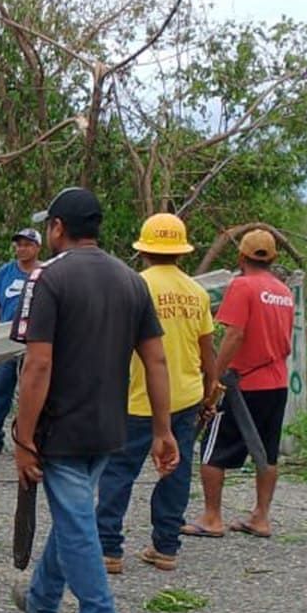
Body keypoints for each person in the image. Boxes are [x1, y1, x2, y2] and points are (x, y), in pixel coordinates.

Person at [9, 189, 176, 613]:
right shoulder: (131, 280)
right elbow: (156, 359)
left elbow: (38, 364)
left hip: (61, 426)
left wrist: (22, 438)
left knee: (78, 525)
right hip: (109, 424)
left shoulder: (48, 279)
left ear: (58, 228)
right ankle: (40, 604)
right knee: (75, 514)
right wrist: (163, 429)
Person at [94, 214, 216, 575]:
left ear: (144, 248)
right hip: (185, 395)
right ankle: (165, 547)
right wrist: (210, 395)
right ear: (182, 251)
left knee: (118, 472)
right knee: (175, 471)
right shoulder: (197, 292)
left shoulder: (131, 286)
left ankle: (109, 549)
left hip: (138, 395)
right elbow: (207, 350)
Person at [193, 227, 296, 540]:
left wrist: (215, 377)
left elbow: (234, 335)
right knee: (267, 451)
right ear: (273, 258)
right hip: (276, 381)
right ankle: (261, 517)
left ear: (241, 257)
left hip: (244, 382)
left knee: (213, 448)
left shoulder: (242, 286)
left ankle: (212, 517)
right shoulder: (283, 291)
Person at [0, 227, 42, 456]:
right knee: (0, 390)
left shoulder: (46, 272)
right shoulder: (6, 272)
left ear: (37, 248)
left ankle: (30, 438)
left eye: (27, 245)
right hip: (6, 339)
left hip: (35, 342)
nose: (22, 249)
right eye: (19, 244)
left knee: (31, 391)